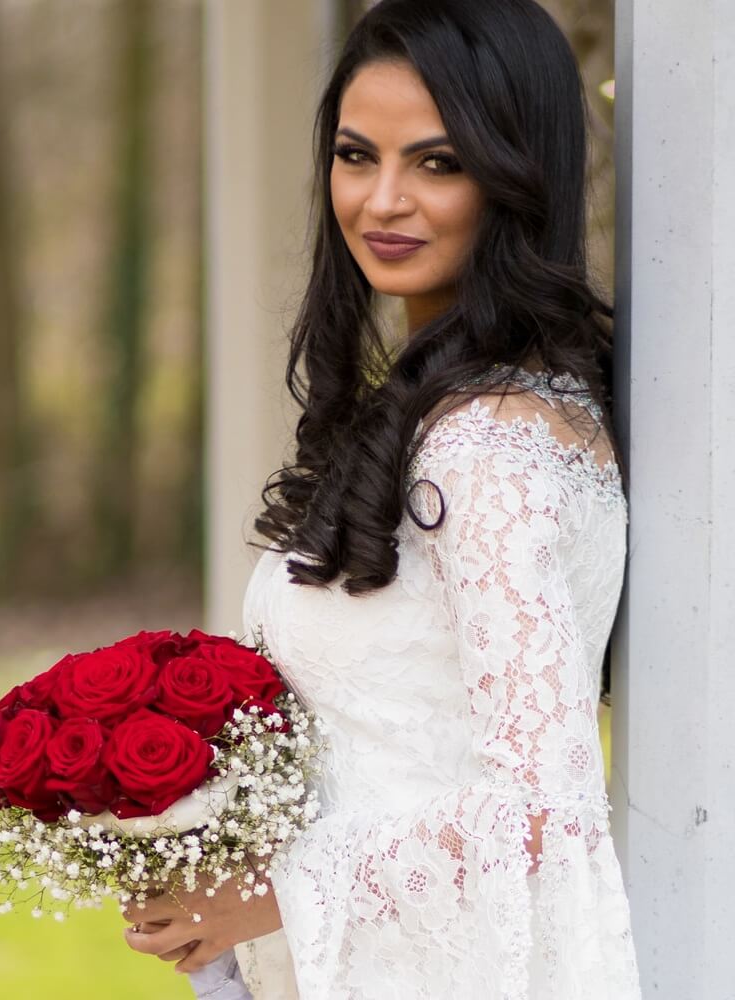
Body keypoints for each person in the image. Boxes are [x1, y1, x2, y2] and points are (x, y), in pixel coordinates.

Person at [121, 0, 643, 996]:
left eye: (439, 164)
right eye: (359, 155)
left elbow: (544, 808)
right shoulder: (477, 403)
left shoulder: (487, 443)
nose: (383, 200)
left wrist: (270, 889)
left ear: (517, 177)